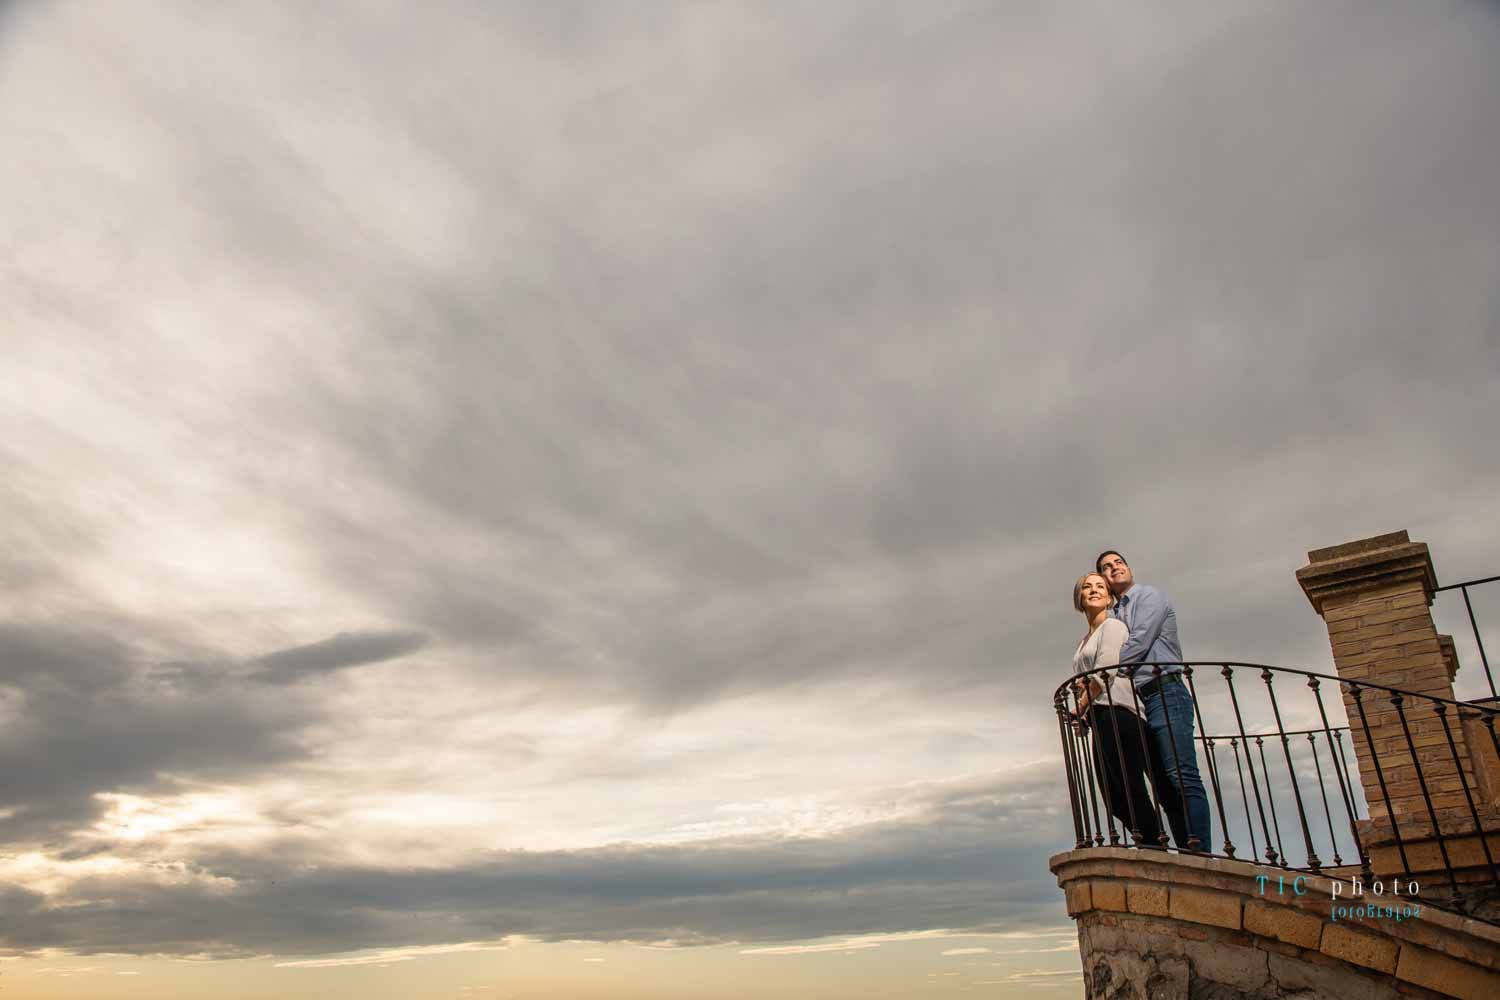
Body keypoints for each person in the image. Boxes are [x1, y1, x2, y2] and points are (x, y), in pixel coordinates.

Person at [1096, 550, 1211, 852]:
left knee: (1181, 775)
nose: (1114, 568)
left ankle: (1200, 852)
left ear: (1128, 568)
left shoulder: (1149, 597)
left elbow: (1141, 640)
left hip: (1166, 692)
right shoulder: (1115, 615)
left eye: (1118, 563)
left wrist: (1107, 670)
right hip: (1141, 701)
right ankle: (1181, 848)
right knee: (1161, 783)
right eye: (1107, 567)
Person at [1068, 572, 1173, 847]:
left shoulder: (1113, 627)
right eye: (1087, 587)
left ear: (1109, 596)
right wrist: (1084, 711)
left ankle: (1153, 844)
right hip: (1100, 715)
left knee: (1129, 786)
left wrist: (1079, 708)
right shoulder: (1082, 642)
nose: (1094, 590)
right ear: (1079, 596)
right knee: (1113, 796)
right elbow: (1087, 682)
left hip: (1120, 713)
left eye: (1100, 587)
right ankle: (1150, 841)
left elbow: (1107, 670)